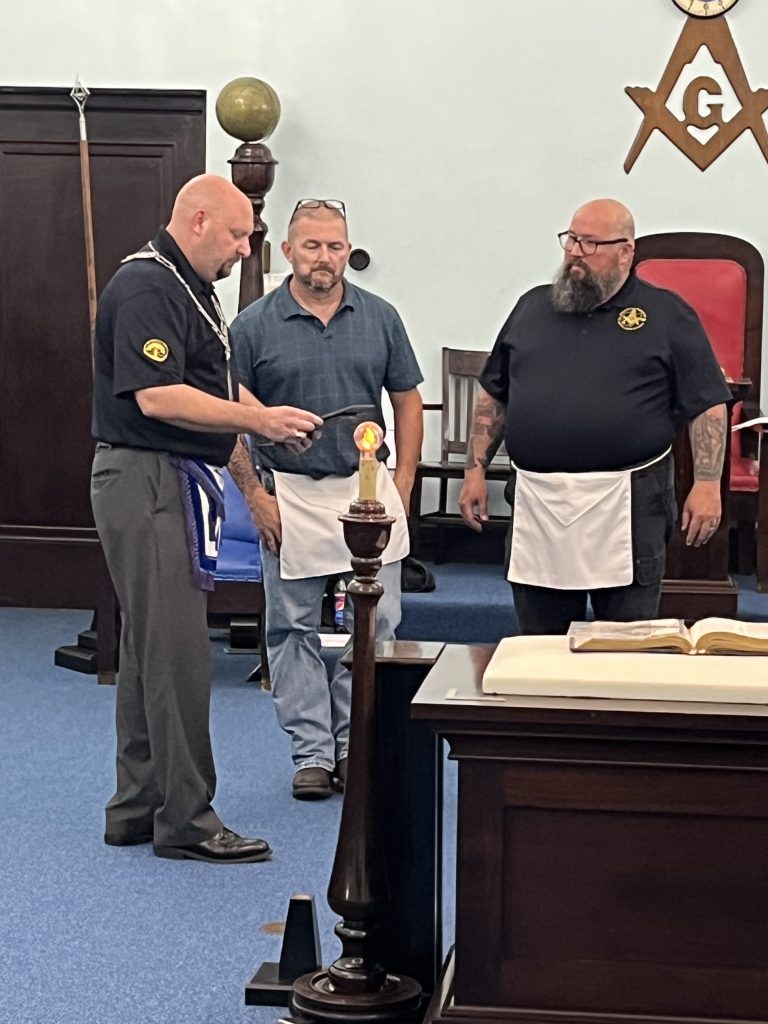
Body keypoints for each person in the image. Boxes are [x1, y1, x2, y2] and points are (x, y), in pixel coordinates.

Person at [90, 174, 322, 862]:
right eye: (238, 235)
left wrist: (266, 421)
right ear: (195, 220)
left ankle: (137, 803)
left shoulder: (190, 289)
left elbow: (214, 382)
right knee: (182, 655)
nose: (247, 250)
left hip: (167, 478)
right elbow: (159, 397)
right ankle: (188, 818)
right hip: (146, 476)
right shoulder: (147, 287)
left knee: (149, 653)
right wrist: (256, 419)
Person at [459, 197, 731, 635]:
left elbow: (707, 403)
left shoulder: (667, 314)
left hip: (630, 501)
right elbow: (495, 393)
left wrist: (705, 484)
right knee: (538, 644)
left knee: (625, 643)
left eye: (590, 244)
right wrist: (475, 470)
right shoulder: (532, 307)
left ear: (627, 250)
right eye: (571, 240)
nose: (574, 254)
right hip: (538, 503)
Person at [229, 198, 423, 800]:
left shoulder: (381, 317)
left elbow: (408, 399)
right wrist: (255, 497)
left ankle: (355, 743)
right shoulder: (253, 325)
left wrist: (406, 483)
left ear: (348, 249)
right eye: (311, 246)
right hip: (288, 493)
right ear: (288, 251)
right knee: (291, 629)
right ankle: (312, 752)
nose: (324, 257)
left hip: (368, 493)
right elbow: (231, 416)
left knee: (379, 624)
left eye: (335, 246)